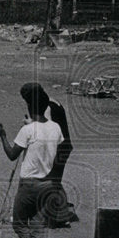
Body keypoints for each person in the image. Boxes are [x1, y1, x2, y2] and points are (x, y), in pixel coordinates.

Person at [0, 82, 64, 238]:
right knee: (38, 227)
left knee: (19, 223)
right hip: (48, 183)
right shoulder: (56, 128)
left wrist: (3, 135)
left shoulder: (28, 130)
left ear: (30, 108)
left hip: (29, 185)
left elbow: (12, 155)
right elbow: (49, 143)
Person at [43, 97, 77, 228]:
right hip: (64, 146)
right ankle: (60, 214)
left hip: (58, 148)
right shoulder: (55, 102)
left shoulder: (47, 108)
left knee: (52, 181)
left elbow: (48, 132)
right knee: (54, 181)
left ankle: (59, 217)